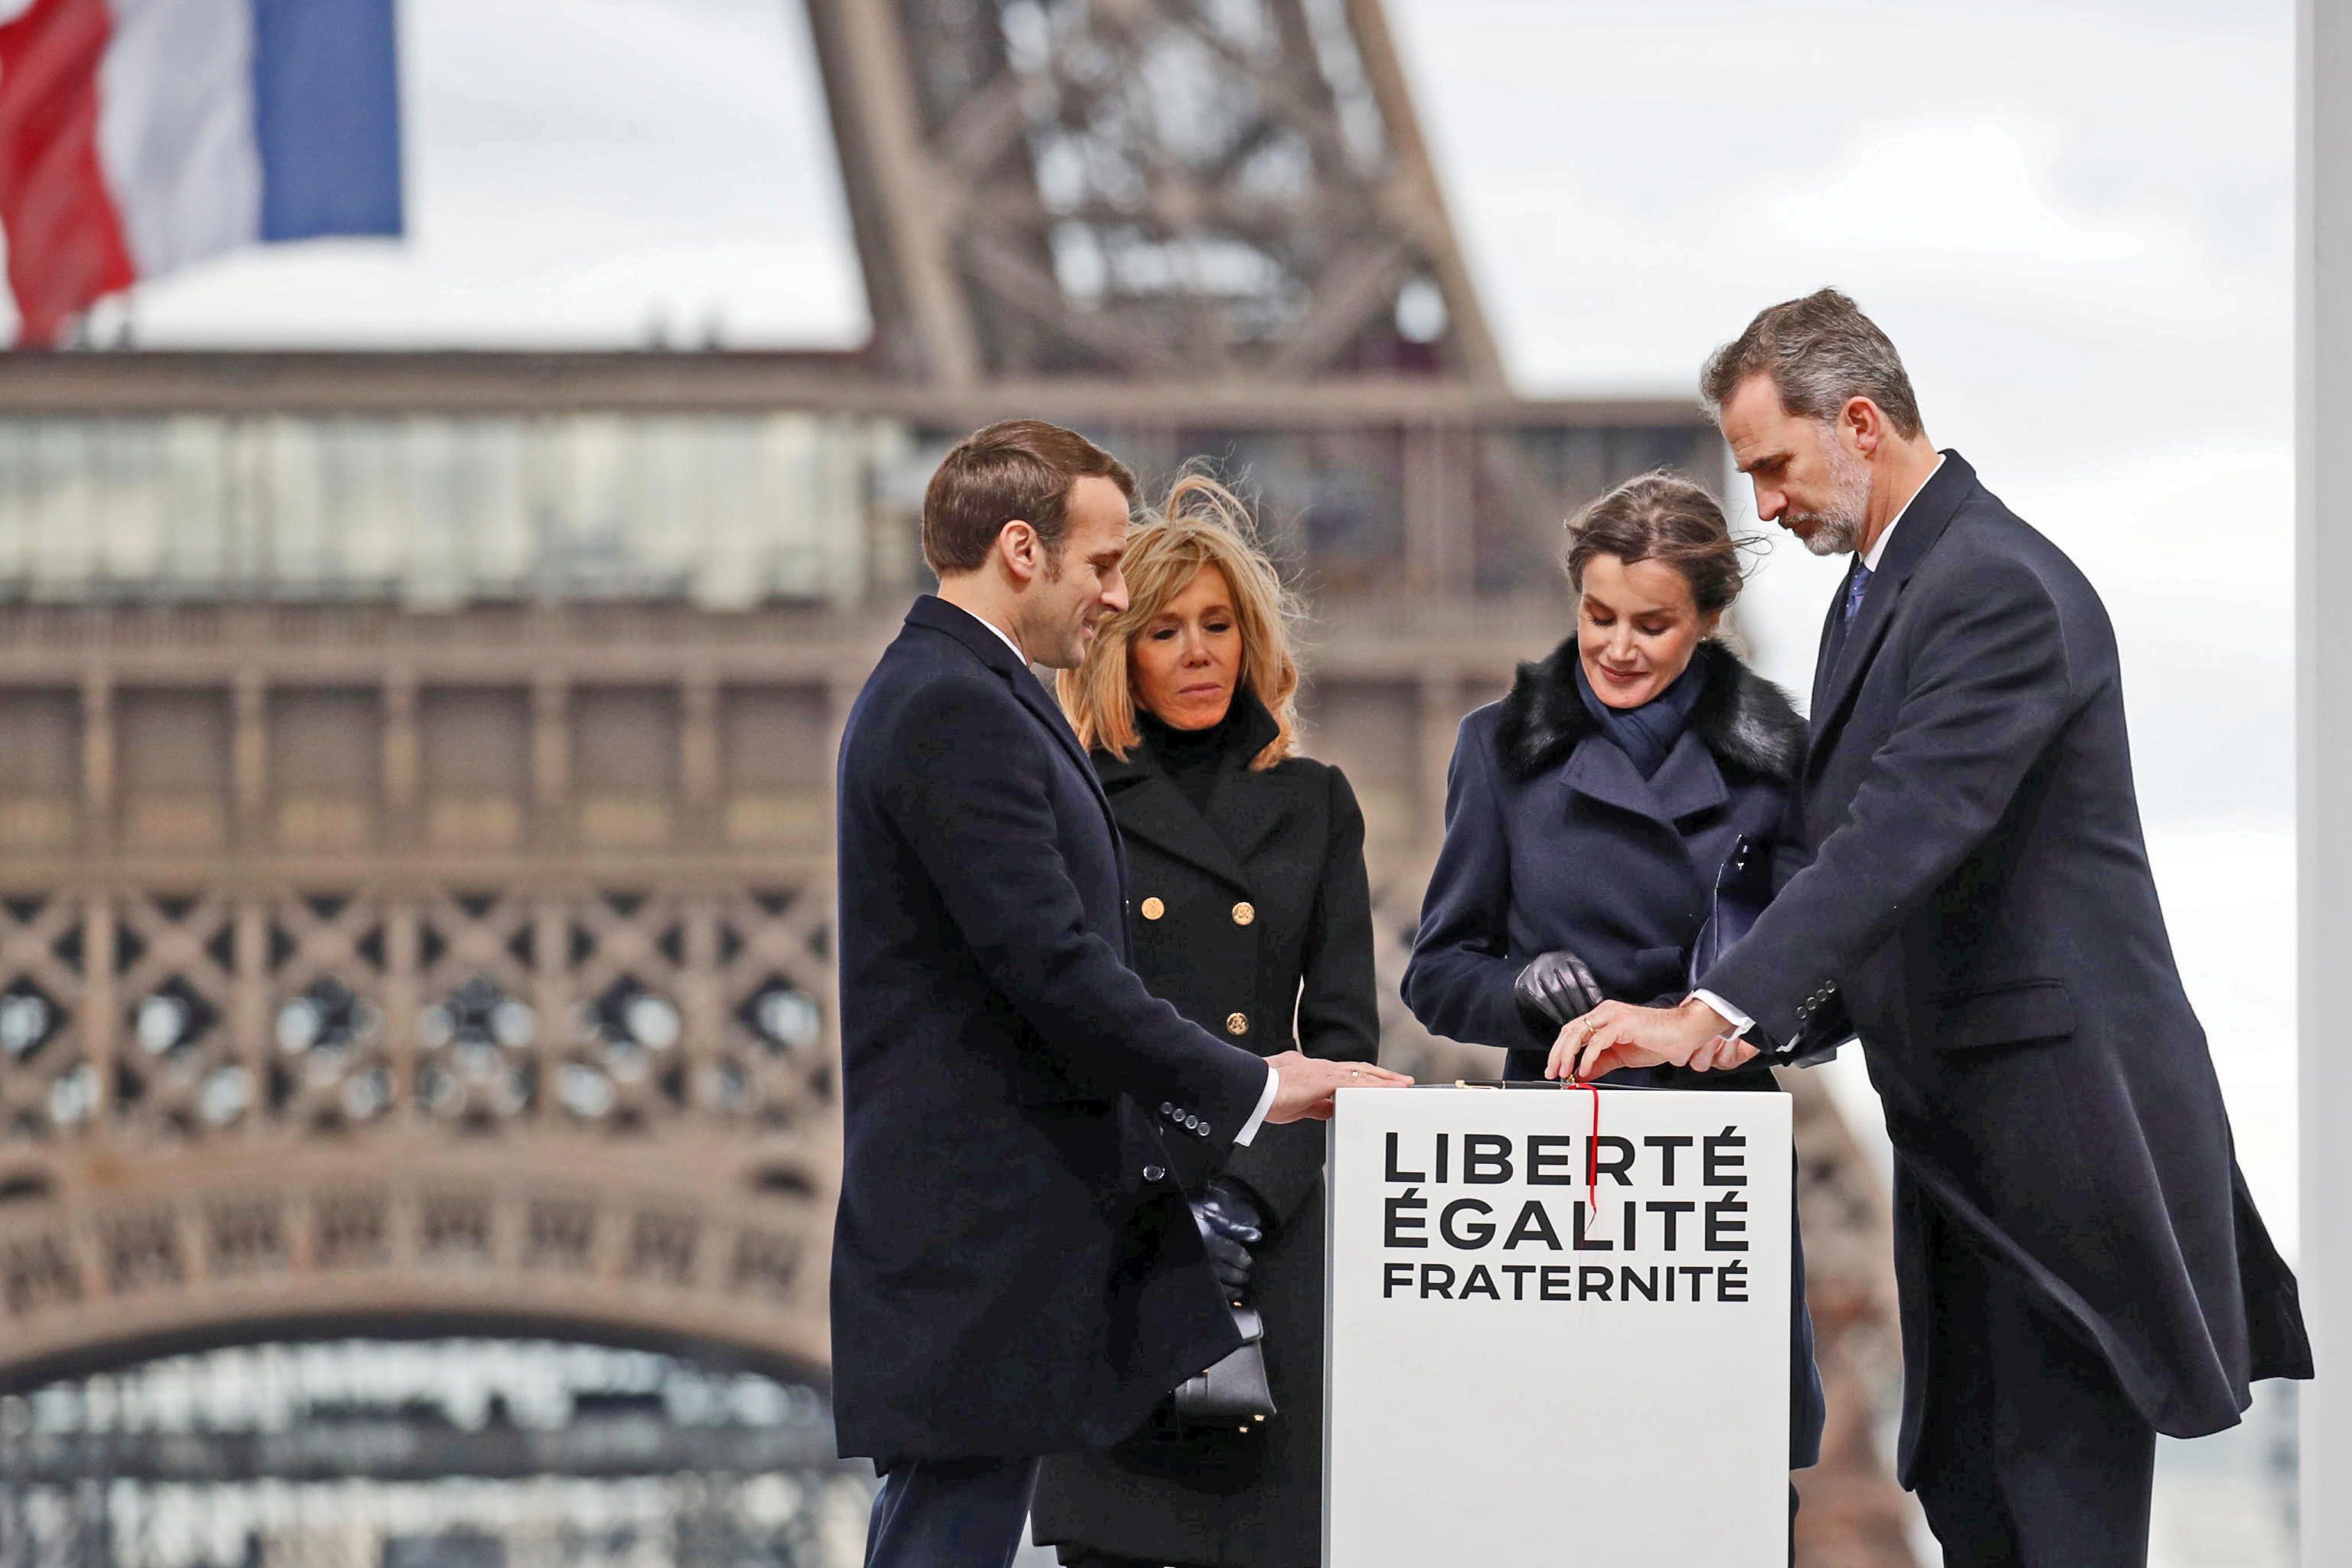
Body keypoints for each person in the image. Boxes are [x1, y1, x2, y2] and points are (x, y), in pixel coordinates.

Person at [1560, 290, 2312, 1566]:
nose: (1766, 506)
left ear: (1859, 422)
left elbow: (1905, 829)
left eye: (1777, 468)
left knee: (2052, 1504)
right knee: (1974, 1492)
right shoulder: (1887, 589)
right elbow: (1868, 853)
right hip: (1968, 1133)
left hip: (2054, 1140)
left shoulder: (1995, 586)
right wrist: (1730, 1013)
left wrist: (1714, 1011)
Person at [831, 420, 1411, 1568]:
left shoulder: (968, 690)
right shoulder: (960, 704)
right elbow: (1053, 967)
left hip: (1011, 1234)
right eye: (1104, 567)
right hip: (988, 1234)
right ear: (1020, 550)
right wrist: (1255, 1083)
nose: (1111, 594)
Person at [1400, 469, 1825, 1484]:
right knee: (1559, 1471)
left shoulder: (1781, 762)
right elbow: (1435, 974)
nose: (1618, 646)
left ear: (1710, 622)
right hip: (1553, 1175)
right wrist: (1520, 989)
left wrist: (1746, 1014)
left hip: (1715, 1168)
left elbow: (1830, 971)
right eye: (1598, 616)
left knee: (1725, 1476)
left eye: (1653, 623)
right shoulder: (1496, 751)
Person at [1029, 475, 1383, 1568]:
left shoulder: (1316, 803)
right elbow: (1069, 1021)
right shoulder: (1073, 797)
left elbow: (1343, 1047)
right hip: (1122, 1237)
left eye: (1218, 626)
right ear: (1120, 648)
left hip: (1265, 1233)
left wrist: (1242, 1209)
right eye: (1166, 629)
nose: (1197, 652)